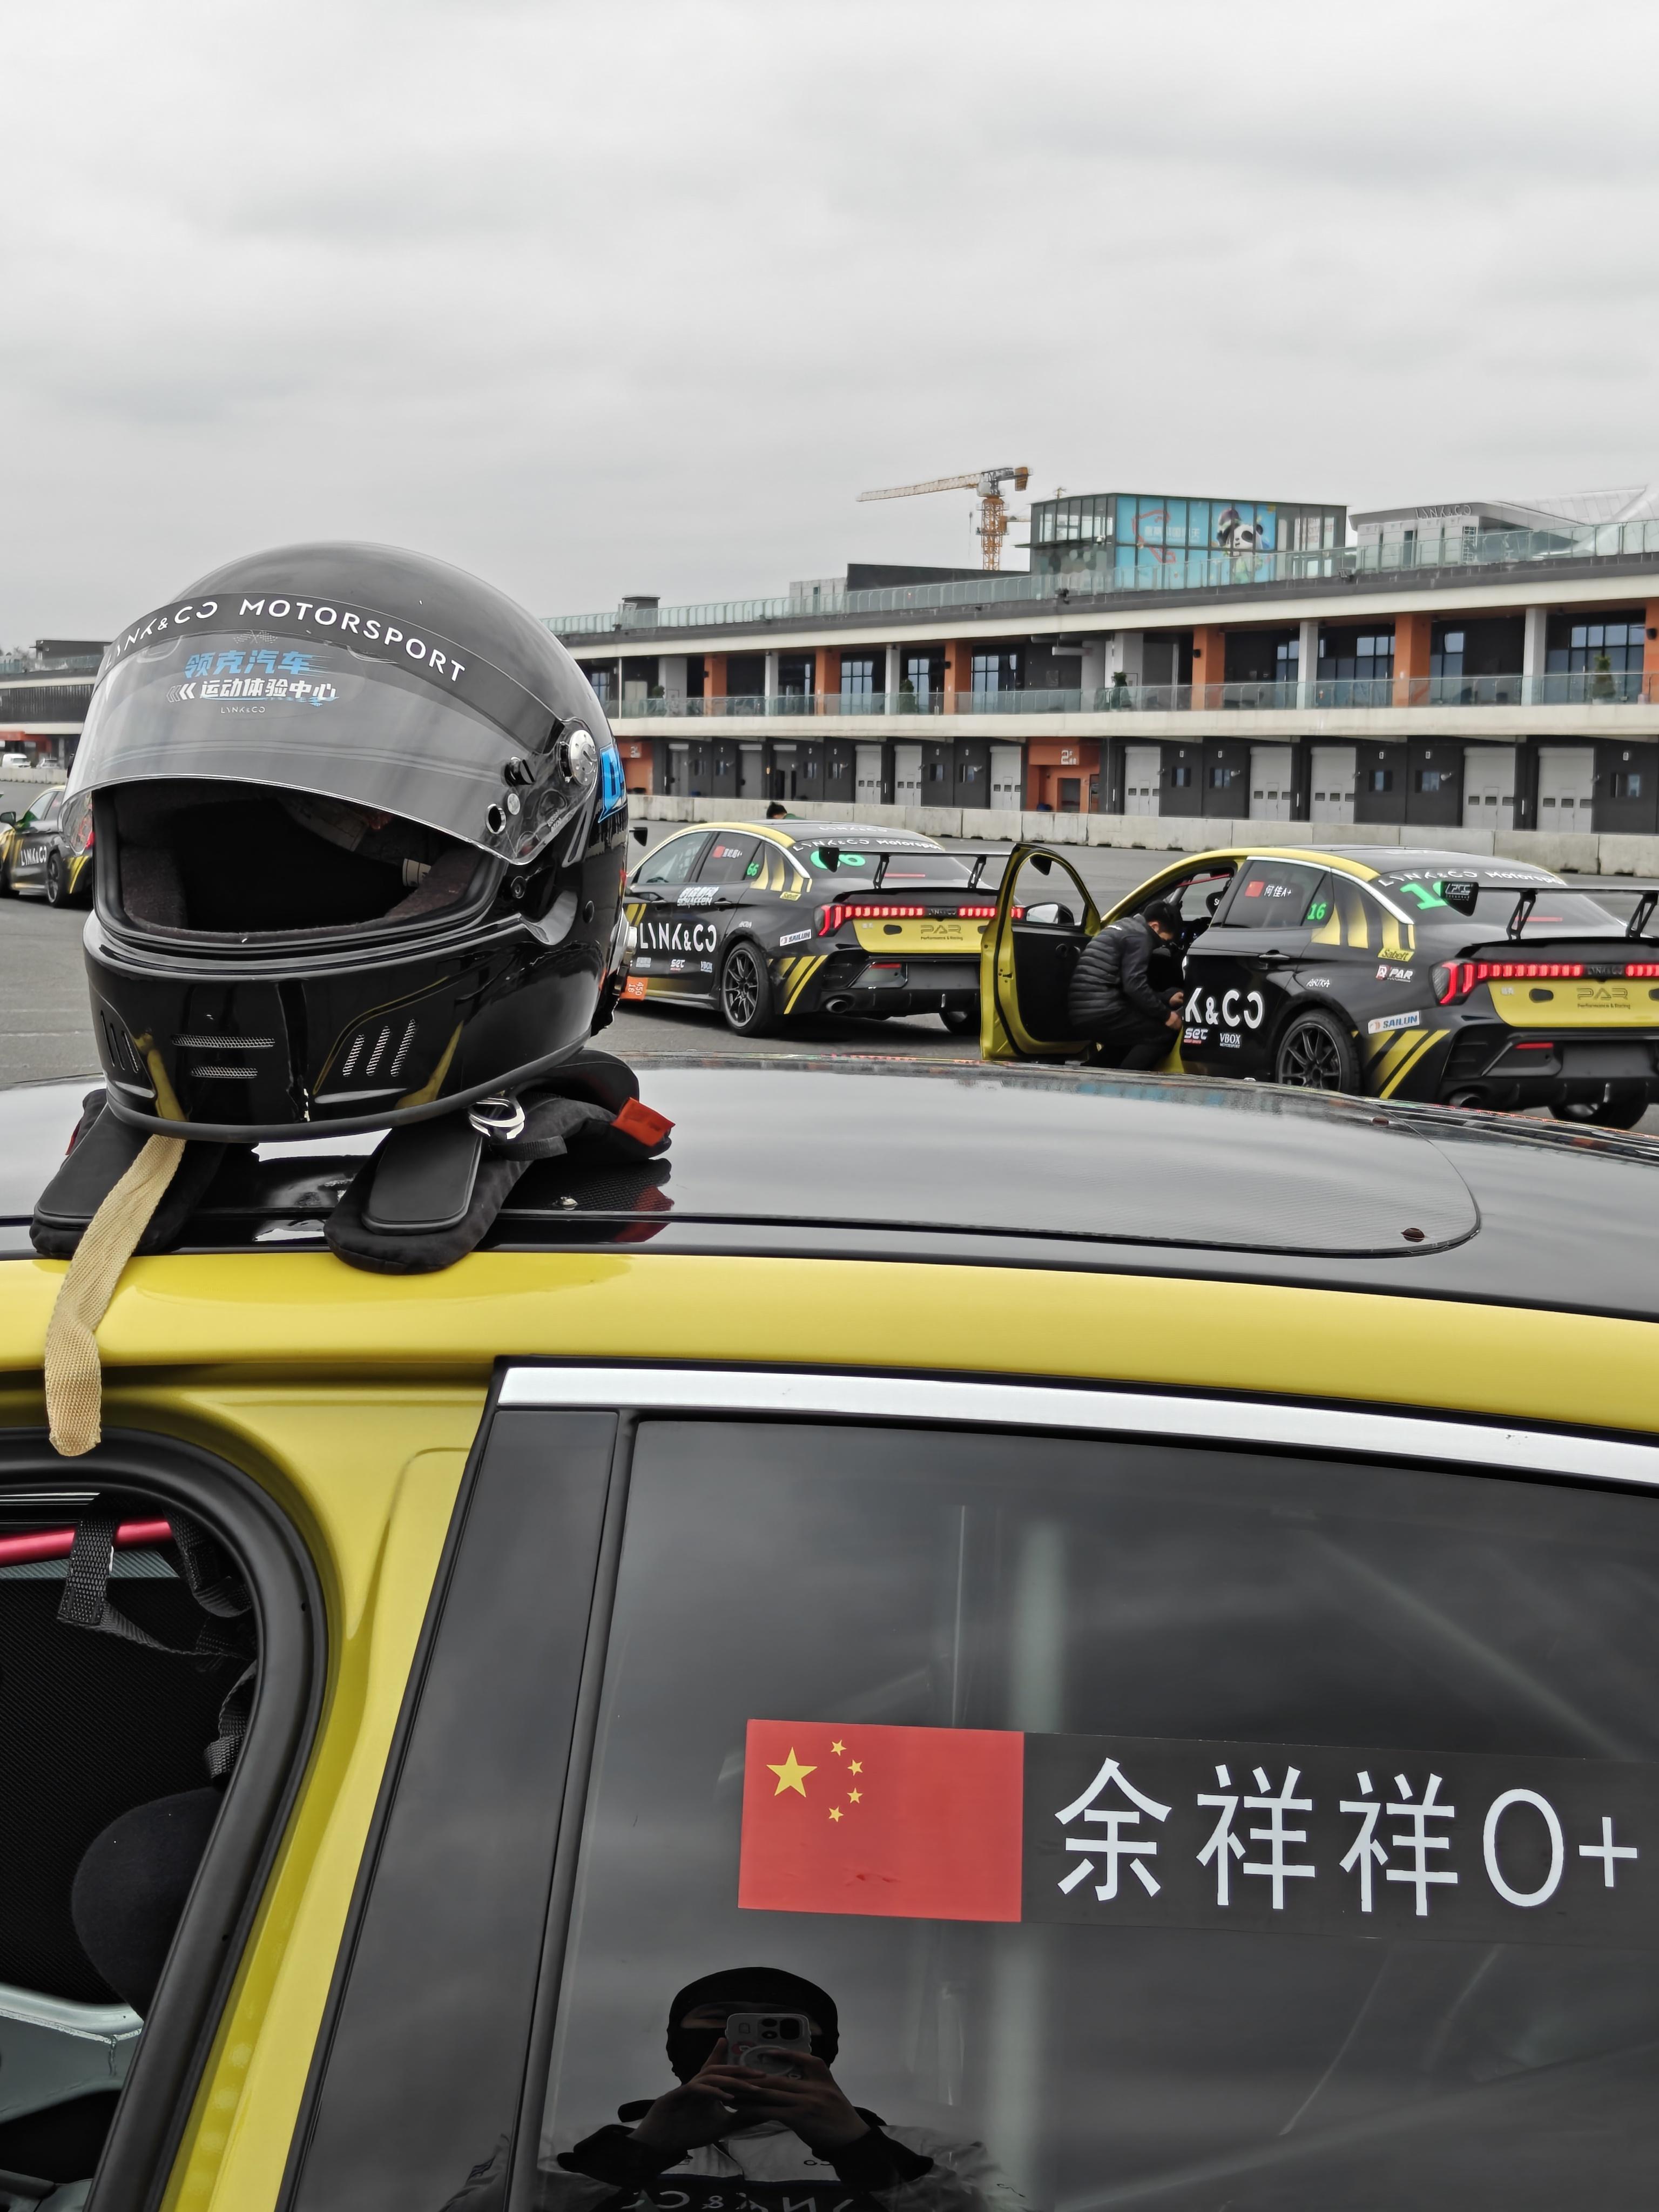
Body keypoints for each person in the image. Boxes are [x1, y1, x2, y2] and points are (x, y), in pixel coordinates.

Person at [529, 1966, 1025, 2212]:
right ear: (674, 2040)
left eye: (783, 2025)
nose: (748, 2040)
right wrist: (638, 2152)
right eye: (721, 2020)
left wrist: (863, 2151)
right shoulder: (565, 2148)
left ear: (822, 2045)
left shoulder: (930, 2152)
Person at [1067, 898, 1186, 1069]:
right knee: (1164, 1032)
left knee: (1133, 1037)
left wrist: (1166, 998)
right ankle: (1127, 1081)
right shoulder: (1141, 936)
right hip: (1104, 1011)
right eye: (1164, 941)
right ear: (1155, 926)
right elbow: (1134, 986)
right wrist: (1167, 1016)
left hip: (1084, 1012)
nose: (1162, 945)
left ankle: (1088, 1072)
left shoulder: (1123, 926)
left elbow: (1125, 987)